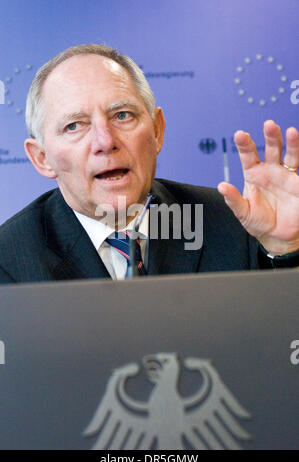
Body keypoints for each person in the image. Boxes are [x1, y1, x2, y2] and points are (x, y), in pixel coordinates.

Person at [0, 44, 298, 283]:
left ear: (157, 130)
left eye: (122, 116)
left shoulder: (232, 222)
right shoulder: (9, 261)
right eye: (75, 126)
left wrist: (286, 249)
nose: (105, 141)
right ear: (42, 158)